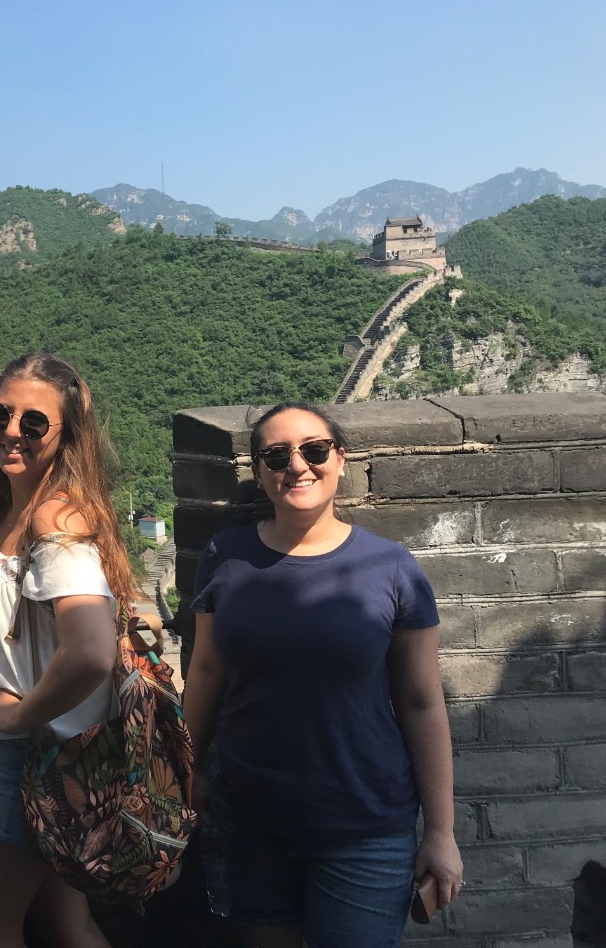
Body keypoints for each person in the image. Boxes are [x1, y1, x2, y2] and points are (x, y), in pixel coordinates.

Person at [181, 402, 464, 948]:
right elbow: (208, 669)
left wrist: (441, 831)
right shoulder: (225, 556)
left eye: (313, 450)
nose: (297, 466)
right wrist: (184, 770)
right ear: (259, 471)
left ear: (340, 460)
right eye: (276, 455)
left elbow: (421, 701)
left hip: (364, 826)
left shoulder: (392, 568)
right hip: (250, 819)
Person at [0, 352, 133, 948]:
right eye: (0, 414)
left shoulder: (53, 515)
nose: (11, 431)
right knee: (67, 924)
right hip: (65, 760)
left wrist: (19, 713)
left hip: (27, 755)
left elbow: (91, 649)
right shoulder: (20, 505)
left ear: (68, 433)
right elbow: (27, 602)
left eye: (34, 422)